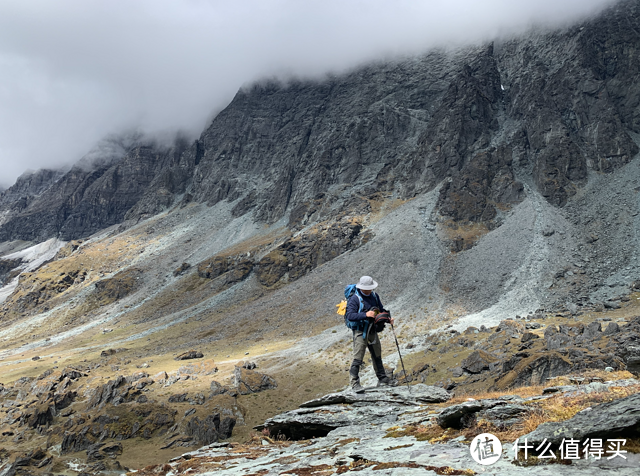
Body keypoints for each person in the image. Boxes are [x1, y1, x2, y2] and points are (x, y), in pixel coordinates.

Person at [345, 275, 395, 393]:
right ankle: (355, 383)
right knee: (358, 358)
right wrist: (365, 315)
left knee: (377, 354)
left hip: (372, 330)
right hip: (360, 331)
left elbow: (381, 310)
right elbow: (350, 316)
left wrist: (388, 319)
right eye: (367, 288)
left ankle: (382, 379)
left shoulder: (374, 296)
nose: (369, 290)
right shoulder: (355, 299)